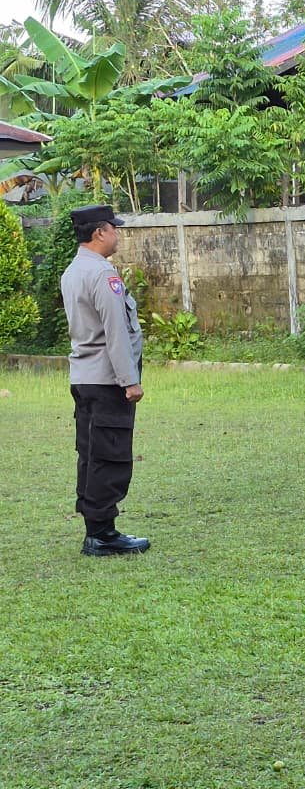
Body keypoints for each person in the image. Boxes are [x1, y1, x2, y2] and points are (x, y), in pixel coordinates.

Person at [62, 204, 149, 556]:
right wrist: (130, 380)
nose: (117, 235)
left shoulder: (73, 270)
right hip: (107, 380)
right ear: (100, 232)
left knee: (91, 453)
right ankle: (102, 534)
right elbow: (115, 331)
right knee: (109, 456)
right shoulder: (102, 274)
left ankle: (97, 529)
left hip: (84, 377)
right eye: (114, 228)